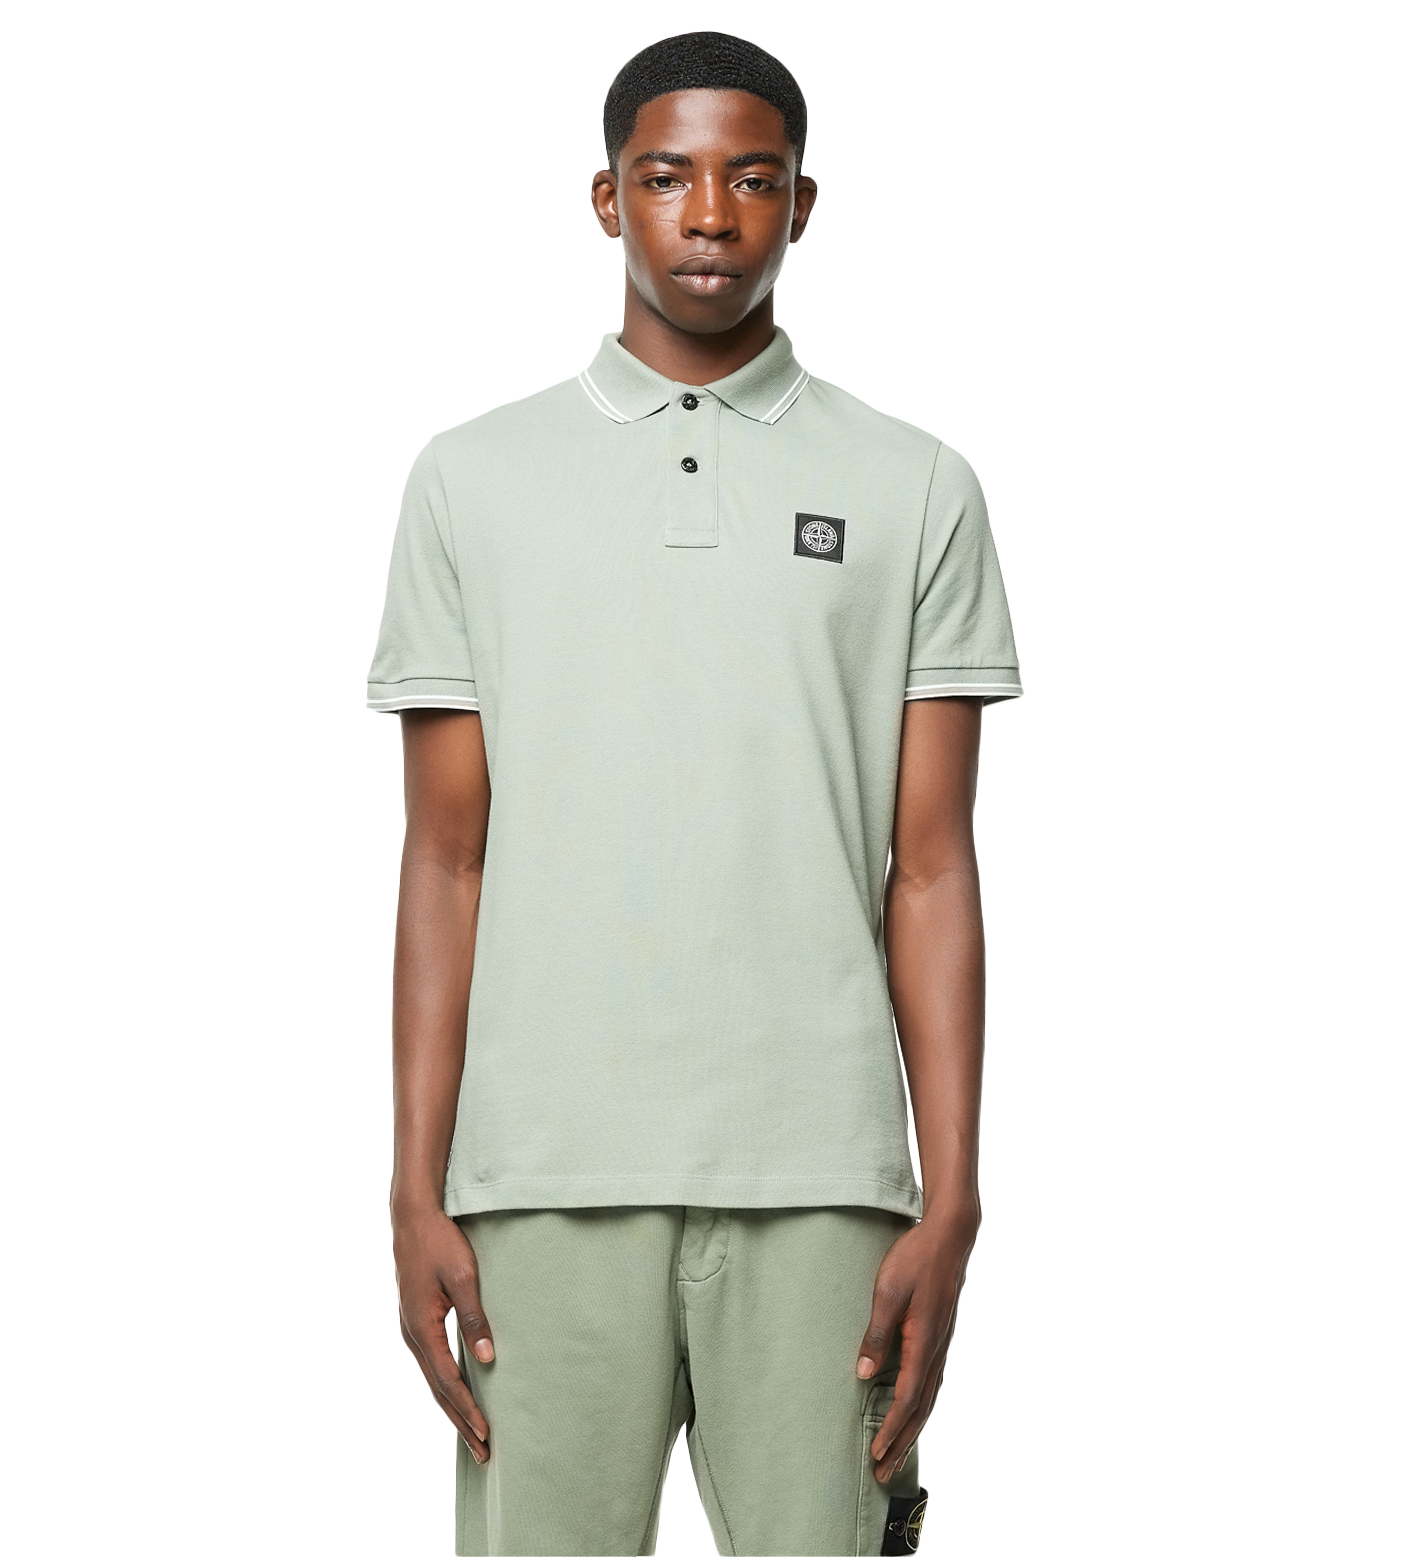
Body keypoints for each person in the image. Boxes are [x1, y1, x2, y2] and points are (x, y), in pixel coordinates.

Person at [366, 30, 1022, 1557]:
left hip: (822, 1175)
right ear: (608, 199)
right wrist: (413, 1186)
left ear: (805, 204)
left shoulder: (917, 485)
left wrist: (953, 1196)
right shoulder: (470, 480)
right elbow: (444, 861)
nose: (711, 215)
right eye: (666, 178)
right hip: (541, 1174)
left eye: (754, 180)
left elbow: (932, 868)